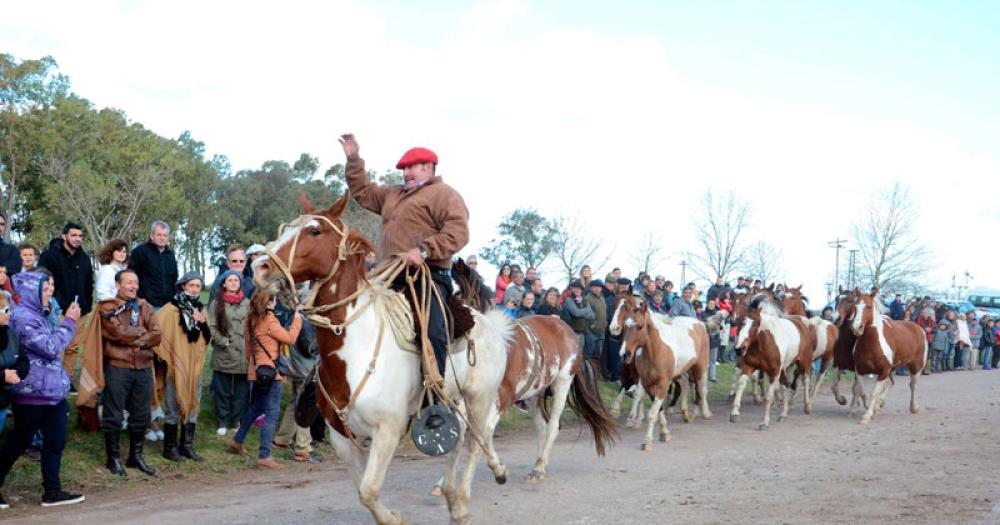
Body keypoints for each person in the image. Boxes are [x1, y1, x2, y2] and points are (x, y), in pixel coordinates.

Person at [341, 133, 469, 427]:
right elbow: (362, 191)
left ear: (429, 168)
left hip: (427, 276)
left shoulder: (444, 195)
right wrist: (353, 159)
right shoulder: (392, 194)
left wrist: (425, 249)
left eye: (412, 168)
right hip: (387, 275)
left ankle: (434, 400)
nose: (406, 173)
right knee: (351, 313)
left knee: (434, 332)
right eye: (404, 169)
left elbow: (458, 232)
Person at [0, 271, 84, 508]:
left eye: (50, 288)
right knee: (19, 441)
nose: (50, 293)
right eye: (45, 289)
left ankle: (52, 491)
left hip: (52, 392)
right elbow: (50, 347)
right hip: (30, 393)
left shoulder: (41, 314)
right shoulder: (23, 317)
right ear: (31, 292)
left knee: (55, 441)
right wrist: (68, 322)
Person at [99, 268, 161, 477]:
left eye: (135, 282)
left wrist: (139, 341)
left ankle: (135, 456)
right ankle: (113, 458)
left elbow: (157, 334)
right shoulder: (108, 307)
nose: (133, 286)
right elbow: (117, 333)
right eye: (128, 282)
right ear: (118, 285)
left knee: (142, 413)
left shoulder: (144, 306)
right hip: (118, 365)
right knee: (114, 413)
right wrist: (143, 334)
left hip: (143, 367)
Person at [229, 291, 303, 469]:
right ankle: (264, 455)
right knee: (271, 412)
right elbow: (290, 339)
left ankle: (237, 441)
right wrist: (297, 319)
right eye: (274, 300)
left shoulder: (249, 320)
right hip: (270, 373)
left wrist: (256, 364)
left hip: (256, 371)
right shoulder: (269, 320)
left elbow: (248, 350)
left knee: (257, 407)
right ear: (269, 303)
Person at [154, 272, 212, 462]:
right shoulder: (170, 310)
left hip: (194, 365)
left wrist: (202, 323)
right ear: (182, 286)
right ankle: (169, 448)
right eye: (191, 285)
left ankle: (186, 446)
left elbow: (207, 338)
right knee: (173, 405)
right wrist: (165, 356)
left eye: (198, 285)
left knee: (193, 404)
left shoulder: (200, 309)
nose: (195, 289)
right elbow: (156, 332)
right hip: (175, 365)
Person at [37, 223, 94, 385]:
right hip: (58, 310)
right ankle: (51, 379)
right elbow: (42, 281)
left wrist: (86, 305)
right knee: (57, 346)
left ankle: (66, 379)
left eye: (80, 236)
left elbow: (89, 283)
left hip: (80, 311)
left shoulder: (84, 258)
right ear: (64, 236)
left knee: (73, 348)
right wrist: (53, 306)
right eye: (74, 235)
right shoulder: (49, 256)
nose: (78, 239)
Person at [273, 313, 322, 463]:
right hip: (305, 370)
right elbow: (311, 348)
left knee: (296, 402)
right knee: (306, 406)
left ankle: (282, 439)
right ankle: (302, 448)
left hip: (296, 367)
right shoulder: (307, 319)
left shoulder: (295, 316)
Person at [207, 270, 250, 436]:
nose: (233, 283)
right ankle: (222, 420)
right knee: (223, 390)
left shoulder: (247, 303)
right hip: (224, 352)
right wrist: (223, 341)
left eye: (236, 280)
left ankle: (236, 419)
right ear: (224, 283)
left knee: (241, 390)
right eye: (230, 280)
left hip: (243, 354)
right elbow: (211, 327)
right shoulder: (216, 303)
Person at [128, 221, 179, 310]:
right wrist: (139, 298)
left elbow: (174, 279)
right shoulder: (140, 252)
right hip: (147, 305)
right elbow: (131, 276)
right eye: (159, 235)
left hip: (168, 306)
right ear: (152, 236)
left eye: (165, 235)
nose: (162, 238)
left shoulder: (170, 255)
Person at [562, 281, 595, 356]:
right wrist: (587, 310)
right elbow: (576, 313)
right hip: (573, 332)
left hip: (583, 332)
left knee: (586, 351)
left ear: (582, 290)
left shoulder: (585, 300)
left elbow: (592, 315)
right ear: (572, 289)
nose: (577, 290)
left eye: (579, 289)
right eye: (575, 288)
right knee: (574, 353)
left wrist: (582, 313)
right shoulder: (569, 300)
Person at [583, 281, 607, 374]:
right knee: (588, 354)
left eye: (599, 287)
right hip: (591, 332)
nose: (597, 288)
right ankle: (586, 373)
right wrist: (590, 327)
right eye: (595, 287)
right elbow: (585, 315)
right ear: (591, 288)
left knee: (598, 354)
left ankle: (594, 373)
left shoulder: (602, 297)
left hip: (601, 331)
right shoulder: (587, 299)